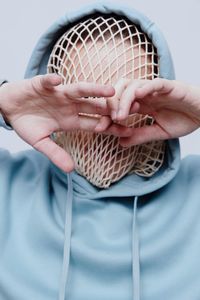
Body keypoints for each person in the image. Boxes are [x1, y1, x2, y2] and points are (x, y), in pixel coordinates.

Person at [1, 3, 200, 300]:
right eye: (86, 102)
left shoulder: (195, 189)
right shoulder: (8, 185)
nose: (109, 123)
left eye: (131, 101)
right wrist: (3, 103)